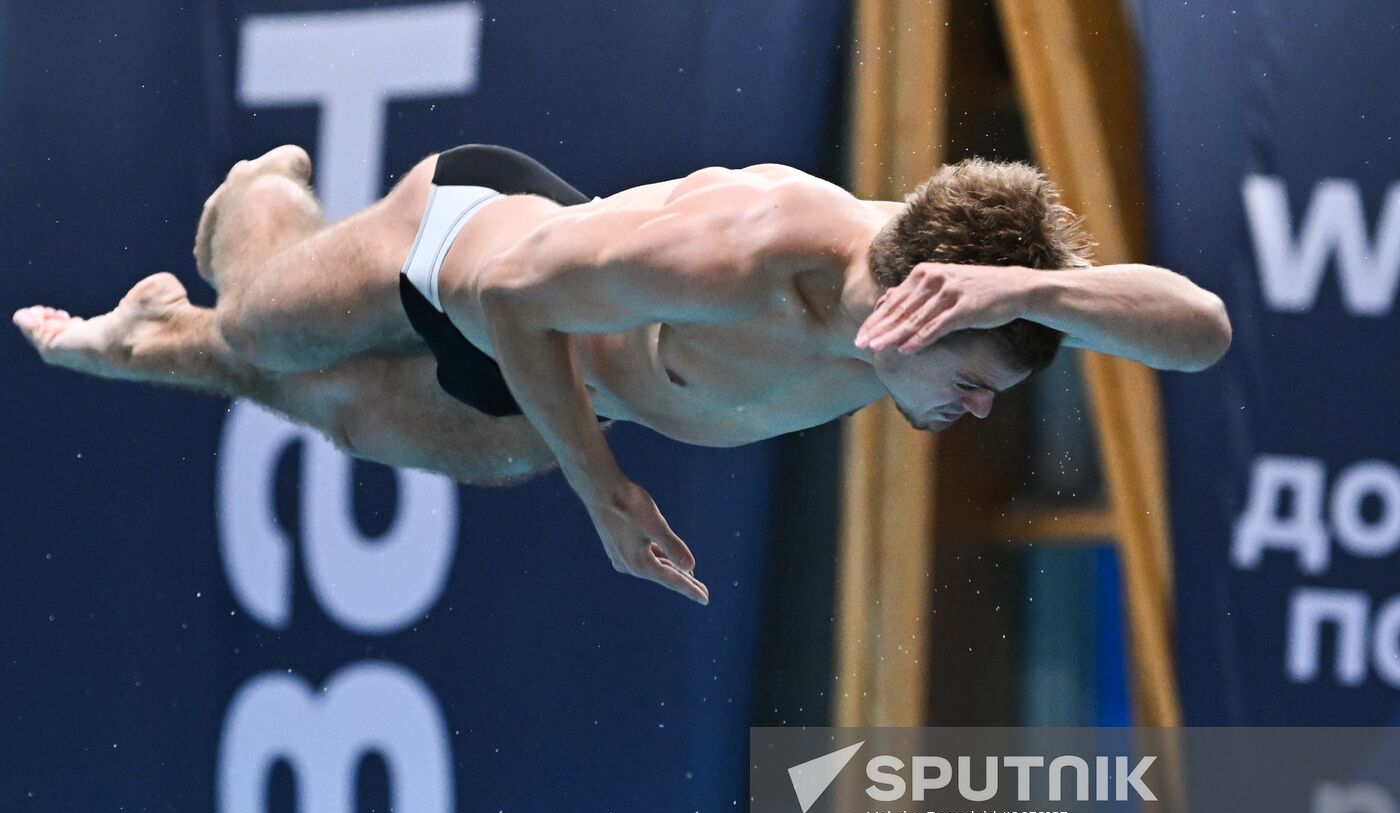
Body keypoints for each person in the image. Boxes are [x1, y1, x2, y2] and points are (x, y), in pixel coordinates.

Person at [12, 144, 1231, 604]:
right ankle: (261, 197)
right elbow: (504, 299)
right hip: (458, 258)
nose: (969, 416)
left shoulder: (950, 320)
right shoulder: (743, 250)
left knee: (351, 420)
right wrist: (602, 494)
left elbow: (1201, 328)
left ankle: (151, 340)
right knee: (268, 331)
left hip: (564, 389)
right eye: (969, 385)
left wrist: (1032, 292)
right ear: (904, 312)